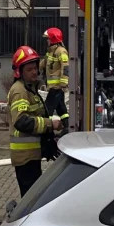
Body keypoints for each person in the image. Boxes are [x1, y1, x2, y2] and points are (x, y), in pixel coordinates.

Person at [8, 45, 60, 196]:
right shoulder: (20, 91)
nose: (34, 72)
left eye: (35, 68)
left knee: (34, 197)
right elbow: (22, 121)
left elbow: (36, 115)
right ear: (19, 71)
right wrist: (50, 124)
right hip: (25, 157)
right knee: (31, 199)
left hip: (31, 155)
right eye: (29, 69)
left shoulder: (30, 88)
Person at [40, 27, 70, 130]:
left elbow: (65, 67)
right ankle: (67, 127)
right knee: (62, 110)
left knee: (47, 109)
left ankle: (46, 130)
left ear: (53, 39)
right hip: (53, 86)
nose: (47, 40)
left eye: (48, 38)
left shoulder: (61, 51)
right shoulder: (50, 52)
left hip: (57, 87)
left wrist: (63, 82)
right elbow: (43, 63)